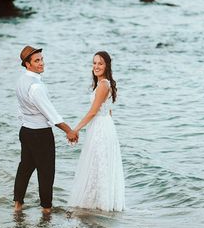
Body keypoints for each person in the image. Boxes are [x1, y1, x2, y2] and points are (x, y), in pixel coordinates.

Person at [13, 45, 78, 214]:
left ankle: (17, 206)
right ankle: (46, 209)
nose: (41, 63)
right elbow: (51, 114)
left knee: (25, 168)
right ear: (27, 64)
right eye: (37, 61)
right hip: (40, 134)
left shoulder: (21, 81)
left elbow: (20, 109)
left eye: (41, 59)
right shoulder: (36, 87)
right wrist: (69, 131)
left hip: (25, 131)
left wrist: (27, 121)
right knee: (46, 172)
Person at [68, 51, 125, 211]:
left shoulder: (103, 85)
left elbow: (93, 111)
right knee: (98, 164)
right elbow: (108, 110)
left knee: (98, 164)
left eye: (100, 63)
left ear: (107, 66)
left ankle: (98, 204)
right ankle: (97, 203)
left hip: (101, 127)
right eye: (94, 63)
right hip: (104, 125)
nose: (96, 66)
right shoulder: (105, 84)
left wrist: (75, 129)